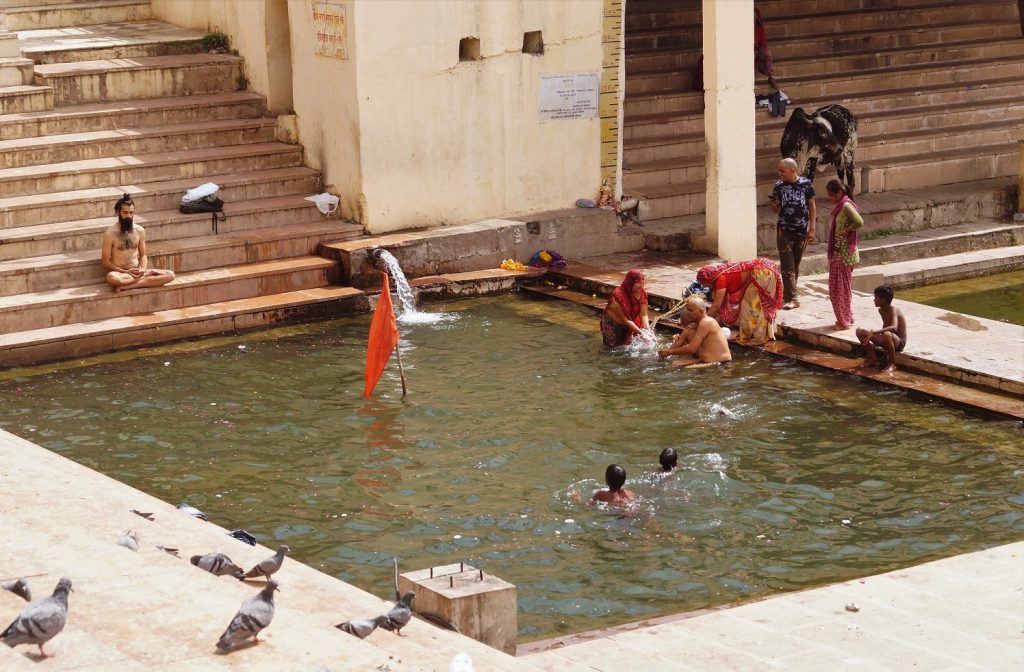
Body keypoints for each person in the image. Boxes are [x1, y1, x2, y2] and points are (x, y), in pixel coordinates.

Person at [695, 258, 783, 345]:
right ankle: (748, 335)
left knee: (757, 306)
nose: (705, 287)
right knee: (748, 306)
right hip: (764, 268)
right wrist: (713, 329)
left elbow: (716, 306)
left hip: (761, 272)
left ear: (708, 280)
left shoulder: (720, 279)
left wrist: (702, 322)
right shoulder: (719, 273)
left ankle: (760, 338)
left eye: (704, 284)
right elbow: (719, 310)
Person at [101, 194, 175, 291]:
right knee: (112, 278)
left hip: (137, 272)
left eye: (131, 213)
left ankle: (130, 286)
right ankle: (145, 278)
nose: (129, 216)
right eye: (125, 213)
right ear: (118, 212)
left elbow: (143, 256)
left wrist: (143, 269)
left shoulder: (139, 230)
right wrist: (126, 271)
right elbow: (105, 262)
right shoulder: (110, 233)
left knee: (170, 275)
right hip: (121, 273)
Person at [769, 158, 816, 310]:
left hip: (801, 230)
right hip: (784, 230)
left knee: (795, 264)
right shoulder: (779, 186)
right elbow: (775, 209)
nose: (779, 173)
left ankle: (789, 294)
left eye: (782, 170)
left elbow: (812, 206)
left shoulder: (806, 184)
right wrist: (774, 205)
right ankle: (792, 298)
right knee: (787, 265)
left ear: (792, 170)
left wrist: (812, 228)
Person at [825, 179, 863, 329]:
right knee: (841, 287)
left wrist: (846, 231)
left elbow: (859, 222)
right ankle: (847, 316)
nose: (829, 198)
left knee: (838, 289)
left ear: (839, 193)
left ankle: (844, 320)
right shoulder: (840, 206)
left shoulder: (846, 206)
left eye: (831, 195)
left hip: (844, 253)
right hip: (840, 252)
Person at [657, 297, 732, 366]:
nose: (687, 313)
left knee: (676, 365)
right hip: (706, 361)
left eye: (690, 310)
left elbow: (691, 349)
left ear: (701, 311)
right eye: (687, 309)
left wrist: (669, 352)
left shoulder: (706, 322)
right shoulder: (697, 324)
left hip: (721, 363)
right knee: (676, 363)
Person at [855, 286, 907, 373]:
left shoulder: (894, 310)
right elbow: (885, 325)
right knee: (859, 330)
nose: (874, 300)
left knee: (886, 334)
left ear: (883, 300)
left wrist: (875, 332)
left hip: (898, 343)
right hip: (887, 339)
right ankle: (873, 358)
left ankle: (892, 364)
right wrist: (876, 337)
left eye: (876, 298)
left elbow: (894, 327)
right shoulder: (881, 310)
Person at [600, 268, 650, 347]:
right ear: (630, 283)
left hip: (630, 322)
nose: (641, 286)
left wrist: (648, 330)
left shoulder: (642, 292)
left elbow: (643, 314)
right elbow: (625, 320)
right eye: (638, 283)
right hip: (612, 324)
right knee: (612, 350)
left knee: (628, 346)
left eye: (643, 283)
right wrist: (642, 333)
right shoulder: (617, 296)